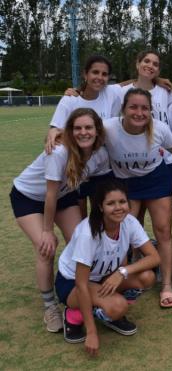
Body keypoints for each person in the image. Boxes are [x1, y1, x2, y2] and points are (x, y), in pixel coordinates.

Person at [10, 108, 109, 333]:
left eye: (88, 128)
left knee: (82, 242)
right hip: (29, 197)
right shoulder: (59, 153)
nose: (83, 132)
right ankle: (50, 306)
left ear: (97, 130)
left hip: (64, 196)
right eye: (77, 128)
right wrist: (47, 230)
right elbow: (50, 195)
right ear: (70, 132)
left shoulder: (100, 154)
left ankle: (81, 293)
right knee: (46, 248)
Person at [103, 88, 172, 309]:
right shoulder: (108, 128)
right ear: (123, 109)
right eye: (133, 107)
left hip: (157, 180)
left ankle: (167, 284)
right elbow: (80, 133)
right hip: (125, 184)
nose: (139, 112)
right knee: (122, 230)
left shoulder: (159, 129)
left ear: (151, 111)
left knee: (162, 229)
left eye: (145, 108)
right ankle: (124, 278)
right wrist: (57, 134)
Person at [55, 179, 160, 355]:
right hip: (72, 283)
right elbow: (81, 284)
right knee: (118, 306)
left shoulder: (130, 222)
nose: (118, 207)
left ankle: (105, 309)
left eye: (122, 201)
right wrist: (92, 333)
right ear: (100, 207)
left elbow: (154, 257)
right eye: (111, 203)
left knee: (147, 277)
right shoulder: (88, 234)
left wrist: (123, 272)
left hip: (103, 276)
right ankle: (74, 315)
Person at [45, 55, 120, 216]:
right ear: (85, 74)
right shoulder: (70, 99)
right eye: (95, 72)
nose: (99, 77)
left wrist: (158, 81)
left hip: (101, 167)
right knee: (80, 218)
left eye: (104, 74)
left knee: (101, 216)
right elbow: (54, 131)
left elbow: (134, 83)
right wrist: (52, 133)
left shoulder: (110, 92)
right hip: (77, 168)